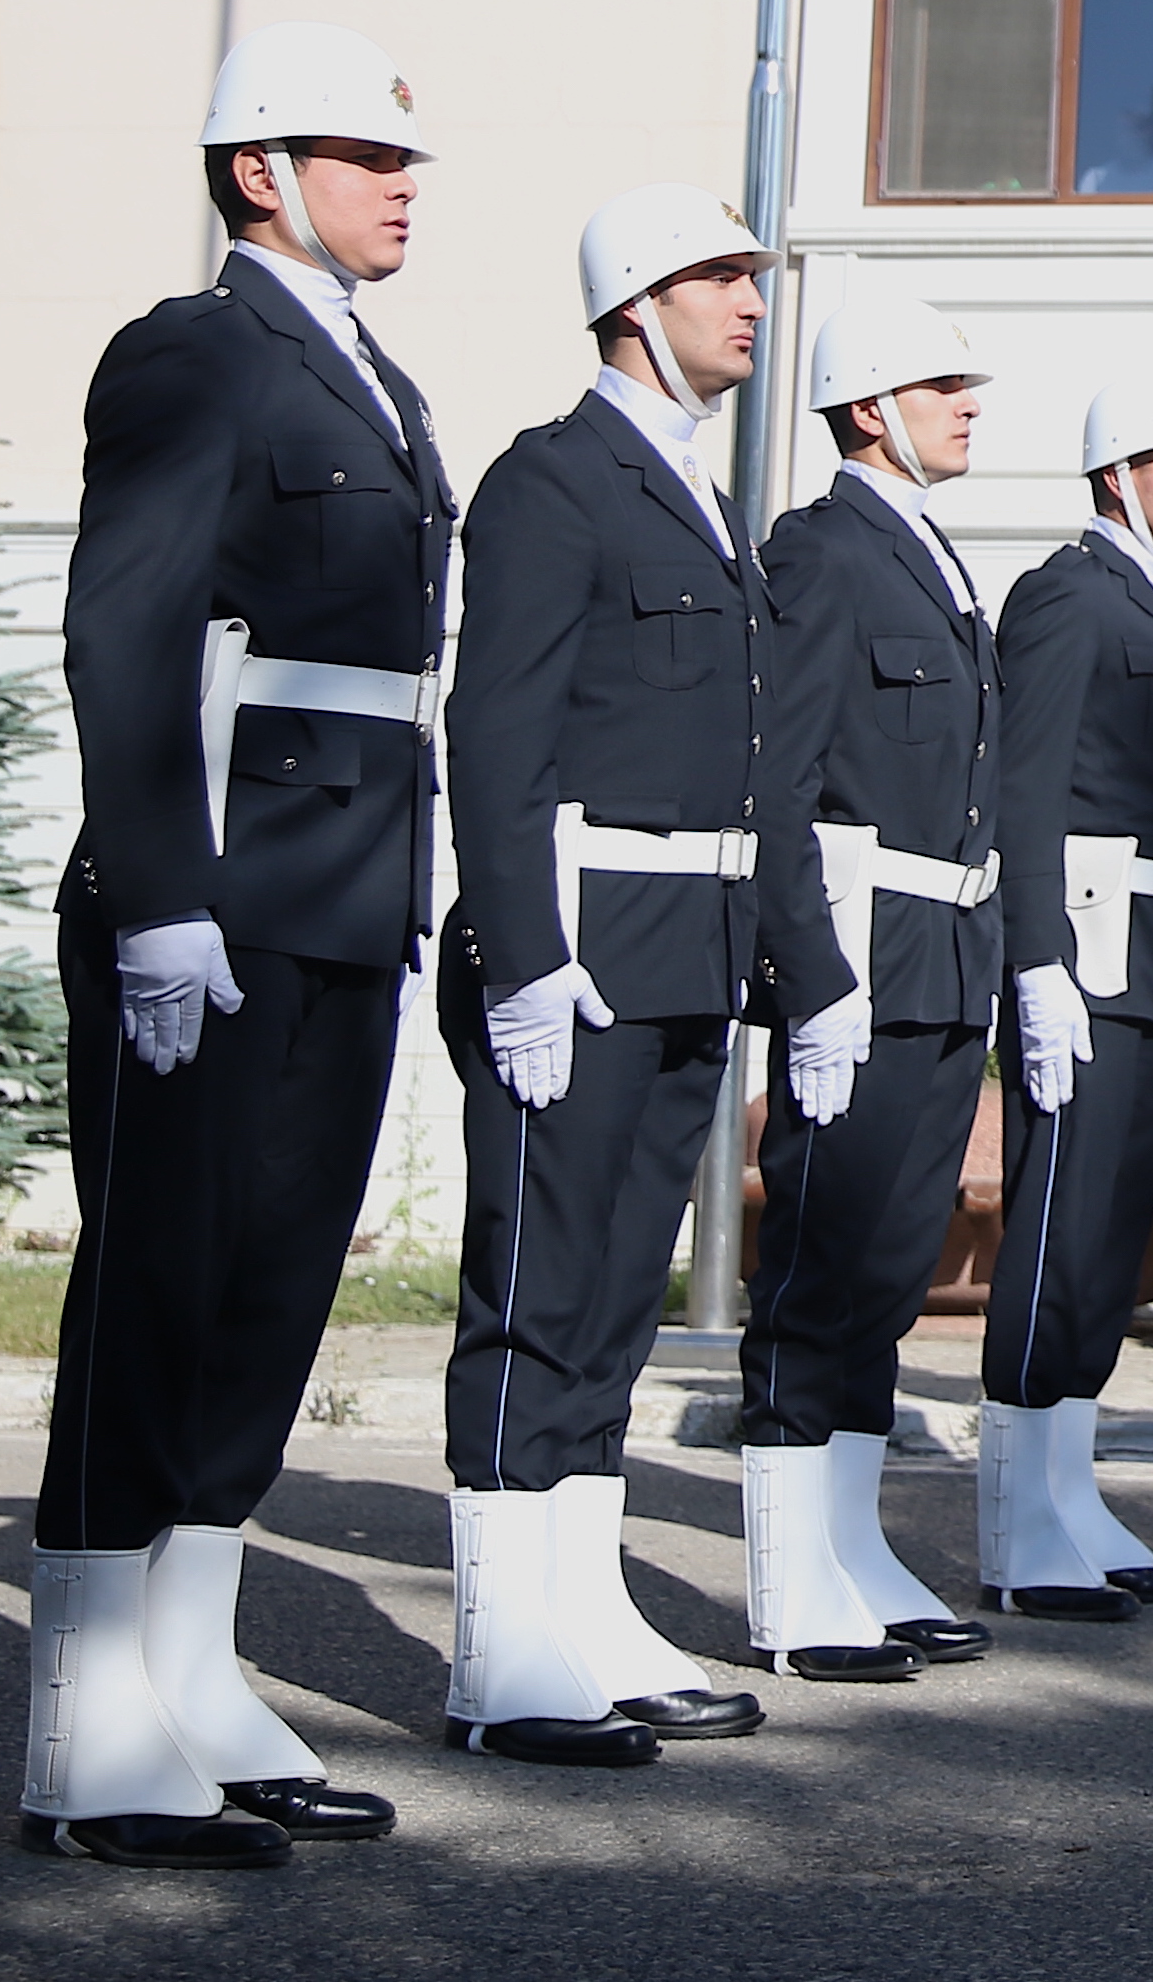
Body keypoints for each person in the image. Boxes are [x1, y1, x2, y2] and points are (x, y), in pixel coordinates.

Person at [20, 24, 452, 1868]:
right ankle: (82, 1725)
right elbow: (124, 627)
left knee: (270, 1297)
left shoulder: (374, 377)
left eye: (408, 160)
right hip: (223, 892)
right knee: (160, 1290)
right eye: (366, 156)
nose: (404, 186)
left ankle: (192, 1674)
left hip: (342, 892)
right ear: (259, 172)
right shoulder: (197, 350)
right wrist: (159, 894)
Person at [431, 185, 856, 1765]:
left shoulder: (699, 497)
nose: (750, 301)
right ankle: (498, 1654)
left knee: (614, 1304)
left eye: (752, 276)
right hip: (587, 956)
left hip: (691, 955)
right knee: (538, 1292)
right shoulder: (555, 480)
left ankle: (583, 1611)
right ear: (634, 303)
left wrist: (796, 969)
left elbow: (751, 765)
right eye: (716, 277)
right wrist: (522, 956)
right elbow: (497, 733)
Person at [738, 292, 1009, 1680]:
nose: (968, 404)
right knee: (820, 1268)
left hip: (944, 959)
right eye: (940, 386)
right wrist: (810, 971)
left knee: (890, 1270)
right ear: (866, 409)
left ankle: (850, 1545)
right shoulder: (823, 549)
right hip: (861, 957)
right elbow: (778, 781)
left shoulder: (929, 554)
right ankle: (791, 1582)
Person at [975, 374, 1153, 1617]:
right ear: (1120, 476)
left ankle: (1066, 1492)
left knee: (1110, 1230)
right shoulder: (1069, 593)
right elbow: (1022, 786)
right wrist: (1035, 958)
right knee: (1060, 1228)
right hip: (1089, 948)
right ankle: (1016, 1522)